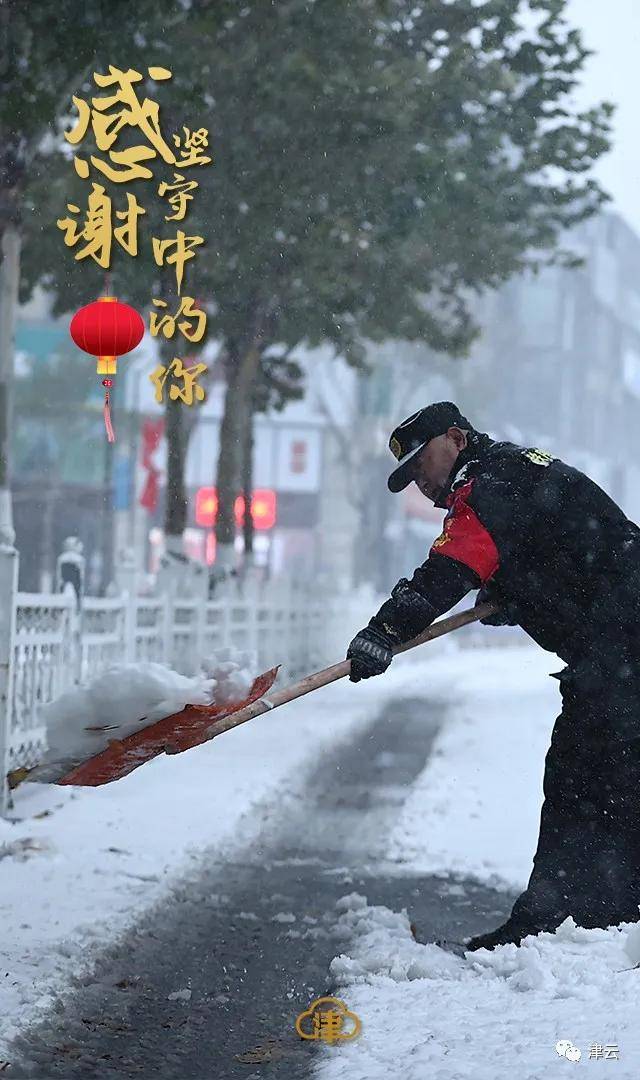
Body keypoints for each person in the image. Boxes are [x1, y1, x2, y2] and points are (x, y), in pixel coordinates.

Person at [346, 401, 640, 951]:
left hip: (623, 650)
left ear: (455, 438)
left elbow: (447, 570)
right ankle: (594, 923)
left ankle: (559, 925)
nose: (422, 483)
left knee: (584, 779)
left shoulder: (485, 486)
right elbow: (563, 549)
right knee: (607, 782)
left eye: (422, 464)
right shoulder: (512, 471)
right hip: (619, 647)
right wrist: (519, 589)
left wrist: (384, 630)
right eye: (411, 476)